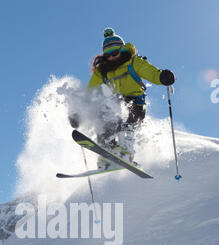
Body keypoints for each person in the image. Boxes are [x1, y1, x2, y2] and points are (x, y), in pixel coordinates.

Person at [70, 27, 175, 168]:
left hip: (135, 104)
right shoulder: (102, 72)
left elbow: (151, 73)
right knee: (104, 117)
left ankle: (125, 154)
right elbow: (91, 93)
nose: (112, 57)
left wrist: (162, 77)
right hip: (114, 103)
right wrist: (79, 113)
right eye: (108, 55)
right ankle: (107, 156)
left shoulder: (134, 62)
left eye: (115, 53)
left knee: (126, 122)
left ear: (122, 50)